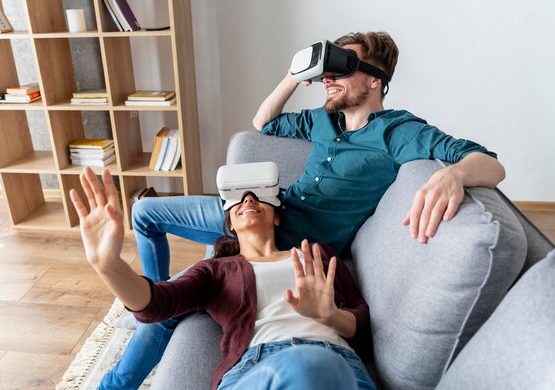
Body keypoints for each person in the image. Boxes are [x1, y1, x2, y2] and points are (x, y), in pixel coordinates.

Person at [99, 31, 506, 389]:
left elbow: (490, 163)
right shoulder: (323, 120)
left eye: (341, 68)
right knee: (145, 215)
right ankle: (148, 296)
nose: (327, 79)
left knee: (168, 313)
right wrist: (297, 75)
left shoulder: (398, 132)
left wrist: (453, 175)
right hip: (266, 213)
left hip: (291, 240)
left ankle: (114, 380)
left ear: (374, 79)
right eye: (328, 68)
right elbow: (263, 121)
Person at [70, 166, 376, 390]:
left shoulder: (316, 253)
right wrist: (109, 266)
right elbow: (157, 305)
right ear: (229, 221)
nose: (248, 199)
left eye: (259, 197)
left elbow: (361, 322)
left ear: (278, 215)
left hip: (336, 363)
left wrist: (331, 316)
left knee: (314, 366)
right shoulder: (216, 270)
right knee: (303, 366)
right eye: (239, 201)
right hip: (255, 369)